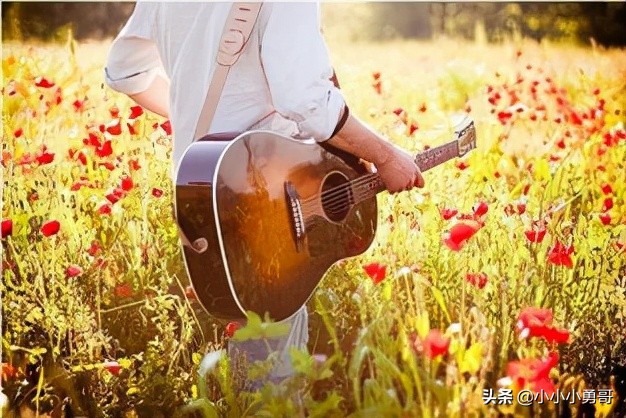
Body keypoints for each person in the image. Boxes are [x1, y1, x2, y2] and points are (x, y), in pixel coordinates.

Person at [105, 2, 424, 389]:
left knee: (258, 345)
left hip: (200, 188)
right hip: (263, 188)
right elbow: (304, 99)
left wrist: (200, 116)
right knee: (273, 372)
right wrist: (387, 156)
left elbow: (125, 70)